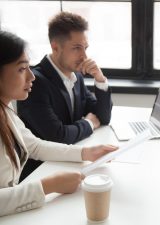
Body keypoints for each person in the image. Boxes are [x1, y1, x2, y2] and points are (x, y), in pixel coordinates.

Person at [0, 30, 117, 217]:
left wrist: (86, 152)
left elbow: (34, 145)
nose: (31, 77)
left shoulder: (5, 111)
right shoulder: (40, 84)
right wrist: (46, 186)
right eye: (22, 69)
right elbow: (56, 134)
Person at [17, 12, 113, 179]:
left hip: (69, 162)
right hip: (41, 172)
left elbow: (103, 117)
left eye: (85, 48)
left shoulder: (76, 76)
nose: (84, 56)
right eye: (76, 48)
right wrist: (89, 123)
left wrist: (100, 78)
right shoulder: (36, 82)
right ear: (55, 47)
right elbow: (58, 137)